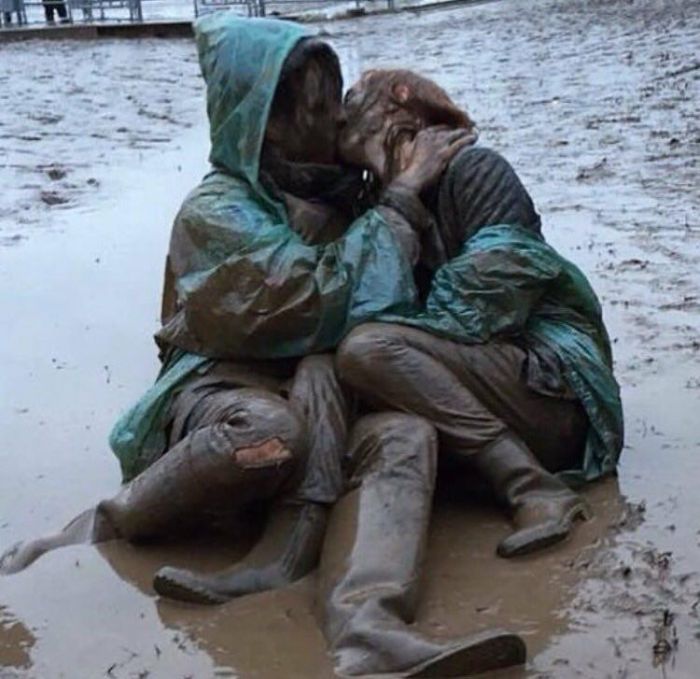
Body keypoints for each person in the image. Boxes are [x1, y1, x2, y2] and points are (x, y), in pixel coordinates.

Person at [2, 17, 525, 678]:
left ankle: (367, 627)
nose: (337, 119)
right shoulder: (215, 212)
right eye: (319, 107)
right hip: (223, 398)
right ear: (268, 124)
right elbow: (309, 302)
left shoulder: (343, 195)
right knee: (269, 430)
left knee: (404, 435)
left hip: (328, 404)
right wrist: (397, 201)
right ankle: (110, 521)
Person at [333, 68, 624, 558]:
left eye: (356, 95)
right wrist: (402, 196)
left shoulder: (477, 170)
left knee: (366, 350)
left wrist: (401, 209)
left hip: (555, 393)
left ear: (399, 101)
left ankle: (531, 487)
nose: (342, 109)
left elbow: (475, 310)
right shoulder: (381, 204)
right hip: (472, 396)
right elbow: (351, 301)